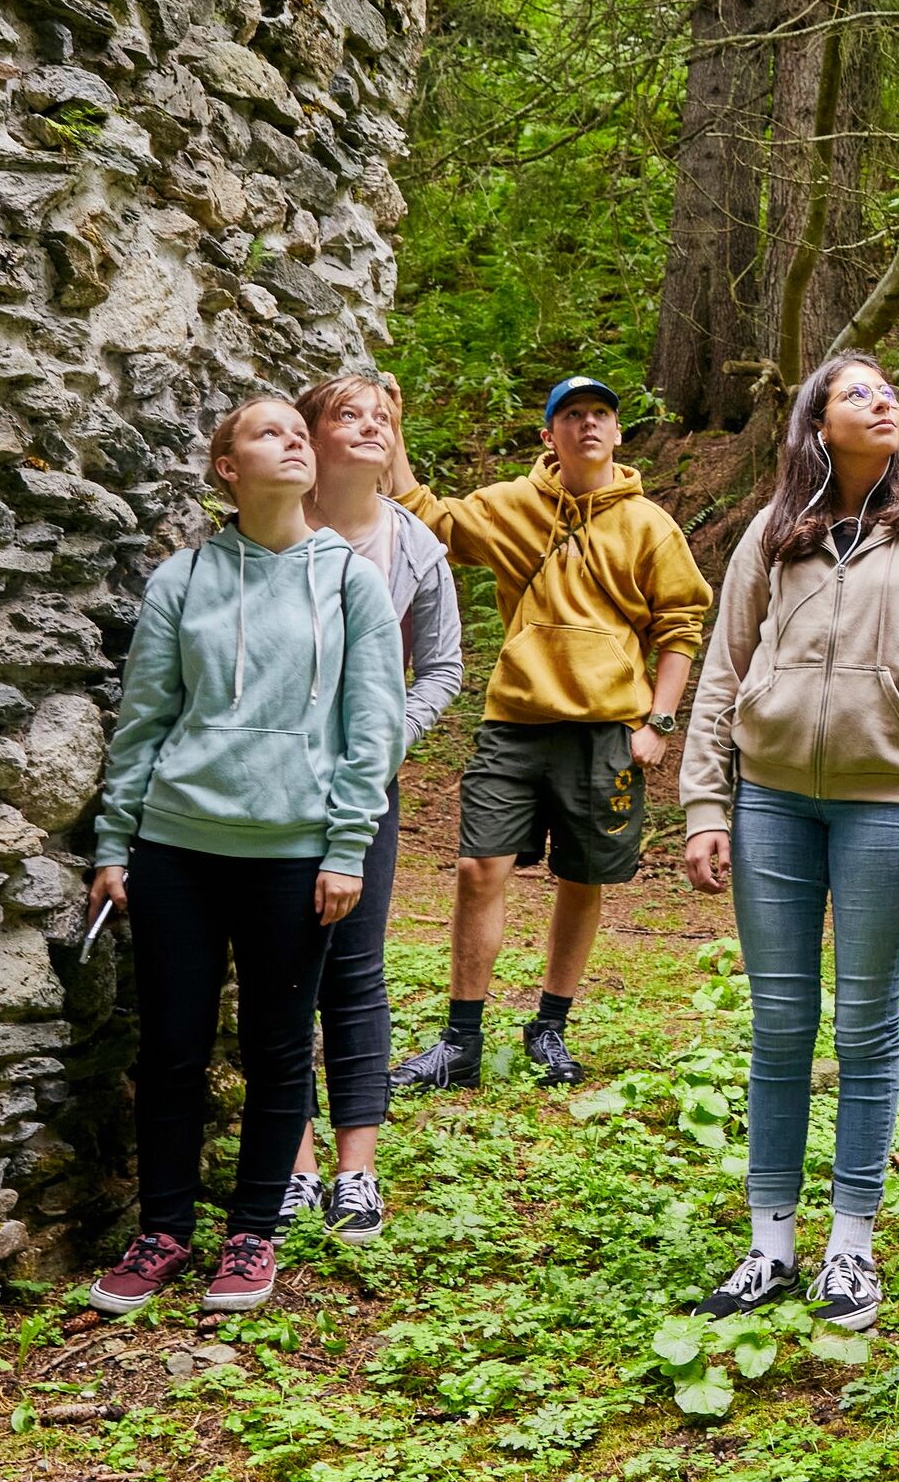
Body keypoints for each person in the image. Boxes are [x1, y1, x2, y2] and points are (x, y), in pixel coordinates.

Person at [675, 354, 899, 1334]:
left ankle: (851, 1244)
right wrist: (704, 806)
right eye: (858, 393)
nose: (883, 401)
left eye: (888, 392)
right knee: (778, 1024)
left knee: (863, 1027)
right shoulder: (772, 537)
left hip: (886, 809)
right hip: (769, 802)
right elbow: (722, 672)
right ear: (817, 422)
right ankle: (770, 1244)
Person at [83, 398, 406, 1316]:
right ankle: (164, 1230)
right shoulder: (184, 578)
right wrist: (116, 843)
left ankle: (252, 1234)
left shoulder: (349, 580)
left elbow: (372, 729)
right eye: (268, 432)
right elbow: (143, 720)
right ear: (226, 467)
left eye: (297, 432)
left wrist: (345, 848)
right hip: (177, 846)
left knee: (275, 1048)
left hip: (297, 856)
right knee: (173, 1046)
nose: (294, 439)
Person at [386, 376, 710, 1091]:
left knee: (582, 876)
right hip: (516, 721)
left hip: (606, 729)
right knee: (479, 868)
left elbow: (680, 626)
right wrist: (394, 432)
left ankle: (550, 1025)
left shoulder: (650, 524)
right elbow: (428, 520)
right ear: (549, 435)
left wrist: (659, 720)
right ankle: (461, 1040)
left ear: (618, 433)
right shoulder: (511, 505)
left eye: (601, 414)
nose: (588, 424)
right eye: (572, 415)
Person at [279, 375, 463, 1242]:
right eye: (350, 414)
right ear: (312, 434)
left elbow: (444, 667)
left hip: (364, 784)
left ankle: (358, 1172)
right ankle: (292, 1164)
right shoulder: (272, 527)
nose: (372, 425)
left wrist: (389, 738)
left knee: (355, 968)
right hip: (266, 785)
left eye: (383, 415)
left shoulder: (415, 545)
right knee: (282, 968)